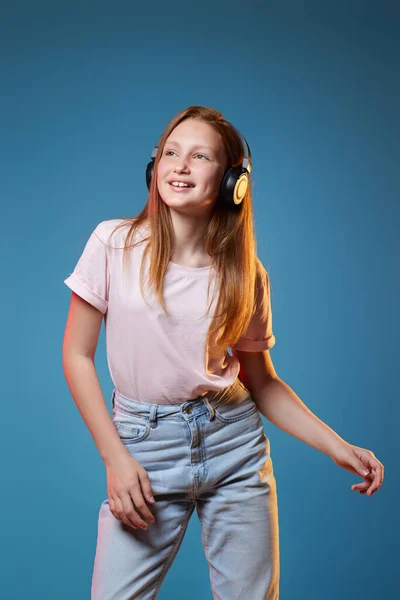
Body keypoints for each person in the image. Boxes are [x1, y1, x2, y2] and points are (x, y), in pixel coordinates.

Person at [62, 105, 384, 600]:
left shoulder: (246, 274)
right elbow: (77, 356)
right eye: (171, 153)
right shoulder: (114, 244)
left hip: (234, 444)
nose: (180, 165)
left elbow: (263, 382)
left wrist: (338, 446)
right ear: (154, 168)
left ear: (234, 180)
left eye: (199, 156)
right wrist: (116, 459)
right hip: (145, 449)